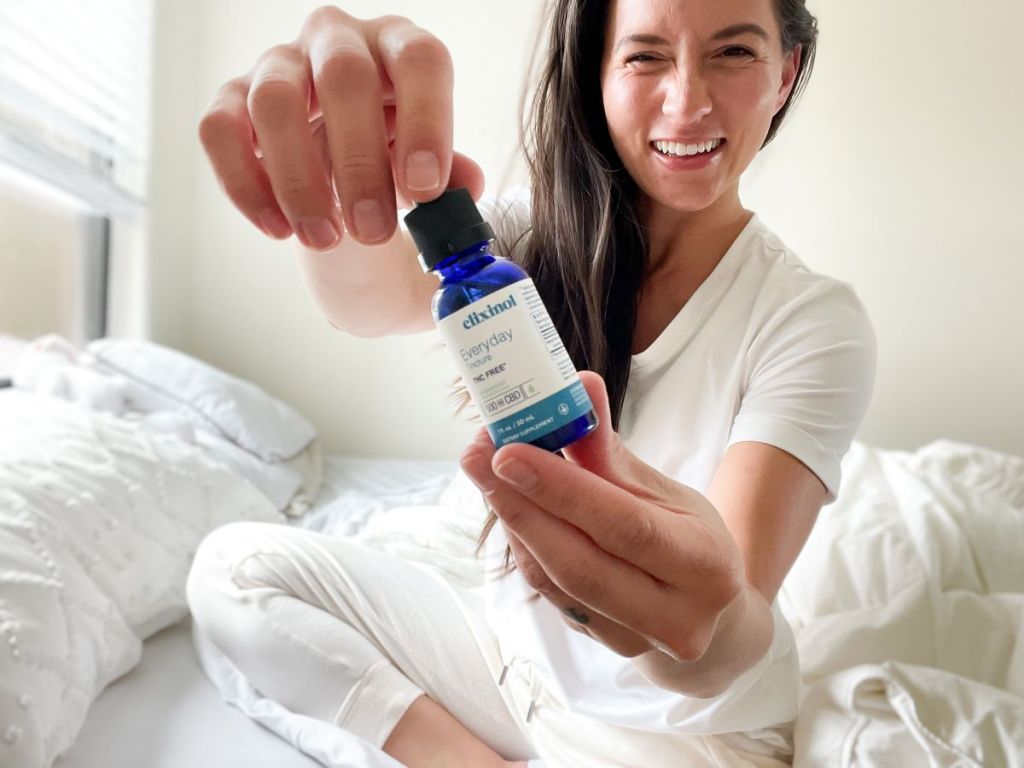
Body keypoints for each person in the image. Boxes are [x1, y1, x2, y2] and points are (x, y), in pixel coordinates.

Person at [186, 0, 877, 765]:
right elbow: (367, 304)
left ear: (786, 73)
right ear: (597, 78)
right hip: (504, 658)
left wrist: (705, 625)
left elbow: (725, 627)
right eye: (645, 57)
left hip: (673, 728)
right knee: (234, 574)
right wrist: (337, 169)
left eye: (735, 53)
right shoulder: (525, 246)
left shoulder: (810, 319)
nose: (687, 101)